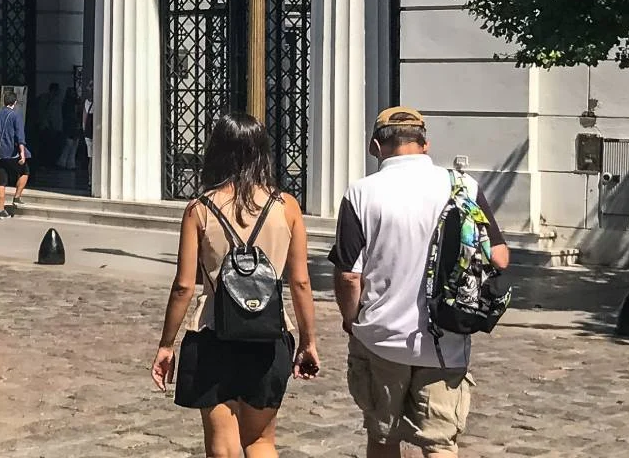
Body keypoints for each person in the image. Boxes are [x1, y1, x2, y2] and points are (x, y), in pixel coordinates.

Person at [331, 107, 510, 458]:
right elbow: (499, 257)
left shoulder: (362, 193)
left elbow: (349, 275)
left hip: (380, 336)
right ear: (425, 144)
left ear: (374, 146)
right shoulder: (463, 186)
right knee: (440, 443)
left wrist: (351, 321)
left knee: (383, 437)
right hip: (446, 338)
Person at [152, 113, 319, 458]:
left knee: (222, 444)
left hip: (213, 333)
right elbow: (300, 281)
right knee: (260, 441)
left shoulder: (199, 209)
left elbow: (184, 285)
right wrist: (308, 341)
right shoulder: (286, 207)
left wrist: (166, 344)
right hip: (268, 335)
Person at [0, 91, 30, 217]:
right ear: (15, 103)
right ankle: (17, 196)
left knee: (1, 181)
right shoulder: (15, 116)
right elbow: (20, 136)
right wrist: (22, 153)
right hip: (12, 153)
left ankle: (1, 210)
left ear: (4, 102)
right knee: (25, 172)